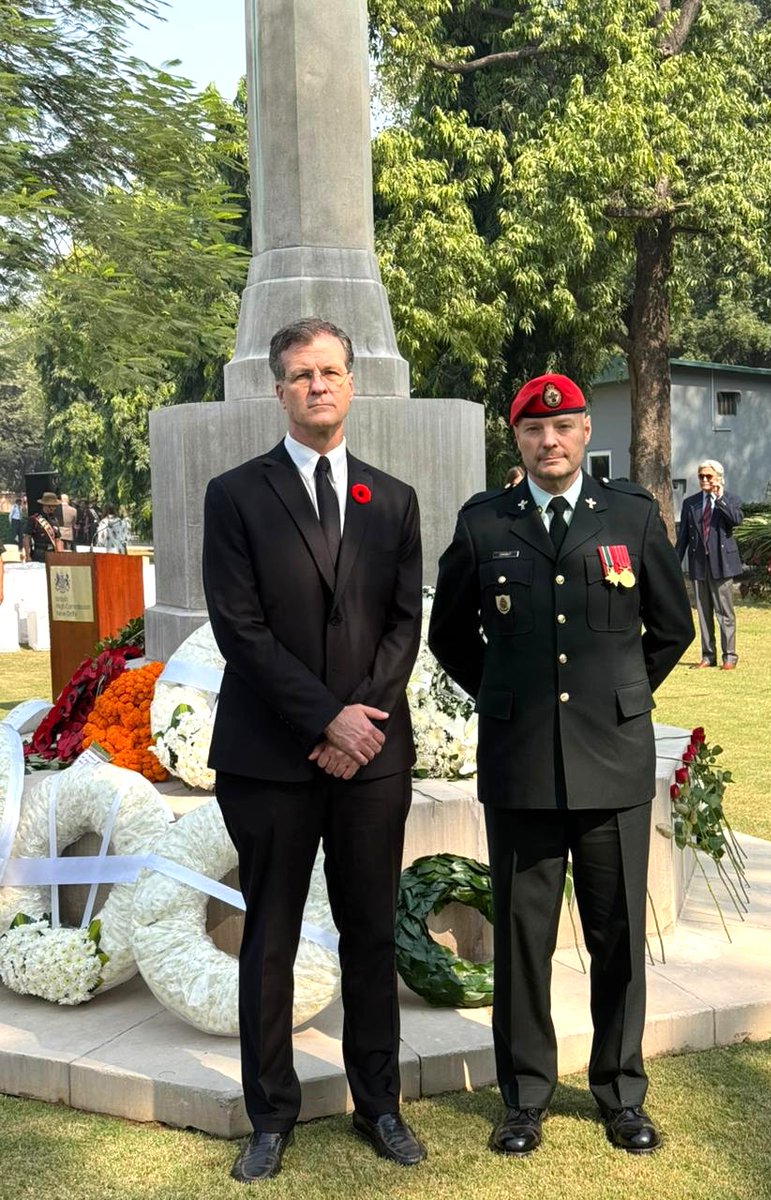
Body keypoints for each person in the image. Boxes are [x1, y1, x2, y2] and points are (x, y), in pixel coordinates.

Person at [428, 373, 693, 1158]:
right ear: (517, 440)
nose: (551, 441)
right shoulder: (485, 523)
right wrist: (503, 694)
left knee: (616, 934)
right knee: (522, 934)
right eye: (535, 432)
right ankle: (525, 1098)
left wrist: (620, 696)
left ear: (583, 435)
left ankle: (620, 1092)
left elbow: (671, 629)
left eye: (566, 427)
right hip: (521, 764)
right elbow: (449, 635)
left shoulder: (632, 517)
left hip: (612, 761)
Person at [202, 318, 425, 1183]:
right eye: (301, 375)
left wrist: (360, 721)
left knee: (370, 933)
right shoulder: (236, 494)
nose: (317, 386)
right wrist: (324, 721)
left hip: (372, 762)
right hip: (270, 760)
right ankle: (271, 1115)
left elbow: (406, 622)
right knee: (272, 938)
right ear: (278, 389)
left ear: (352, 383)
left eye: (330, 371)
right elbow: (241, 630)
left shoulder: (392, 498)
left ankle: (379, 1106)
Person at [675, 460, 743, 670]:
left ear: (719, 478)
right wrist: (674, 564)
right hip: (699, 565)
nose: (705, 480)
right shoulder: (691, 503)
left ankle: (729, 657)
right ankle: (708, 656)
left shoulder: (730, 499)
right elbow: (684, 537)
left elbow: (736, 520)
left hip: (722, 565)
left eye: (709, 476)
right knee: (703, 613)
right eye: (701, 476)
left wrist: (719, 498)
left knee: (725, 613)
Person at [22, 491, 63, 562]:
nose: (55, 508)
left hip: (52, 553)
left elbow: (58, 539)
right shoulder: (34, 519)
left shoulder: (54, 520)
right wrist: (27, 556)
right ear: (46, 505)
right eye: (53, 505)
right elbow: (26, 537)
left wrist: (60, 556)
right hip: (39, 553)